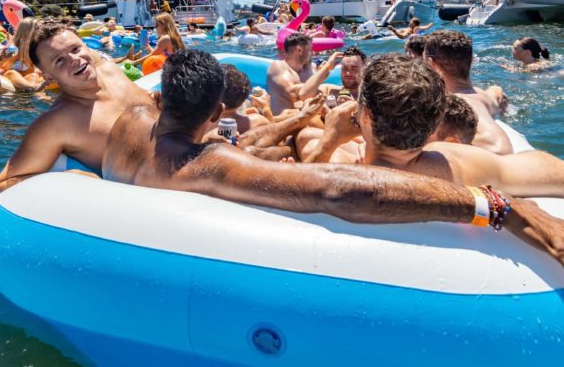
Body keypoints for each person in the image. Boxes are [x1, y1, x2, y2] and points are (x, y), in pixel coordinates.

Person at [102, 49, 564, 265]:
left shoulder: (130, 120)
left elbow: (327, 173)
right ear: (218, 114)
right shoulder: (213, 163)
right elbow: (336, 189)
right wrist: (497, 204)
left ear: (161, 98)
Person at [351, 54, 564, 198]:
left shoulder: (338, 168)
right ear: (435, 122)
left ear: (366, 115)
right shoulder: (460, 163)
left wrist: (330, 140)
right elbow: (550, 171)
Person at [0, 20, 155, 191]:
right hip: (154, 188)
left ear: (87, 47)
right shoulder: (57, 123)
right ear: (47, 75)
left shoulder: (111, 71)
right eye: (59, 60)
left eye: (75, 49)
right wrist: (72, 178)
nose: (74, 60)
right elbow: (3, 184)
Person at [423, 30, 511, 154]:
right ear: (472, 60)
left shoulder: (450, 103)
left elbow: (499, 150)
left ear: (432, 64)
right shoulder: (483, 96)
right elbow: (497, 91)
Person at [266, 33, 342, 115]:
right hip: (285, 120)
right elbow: (293, 93)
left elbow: (313, 90)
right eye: (310, 50)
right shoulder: (278, 66)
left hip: (306, 116)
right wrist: (324, 70)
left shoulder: (310, 67)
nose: (312, 53)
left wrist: (321, 73)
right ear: (299, 50)